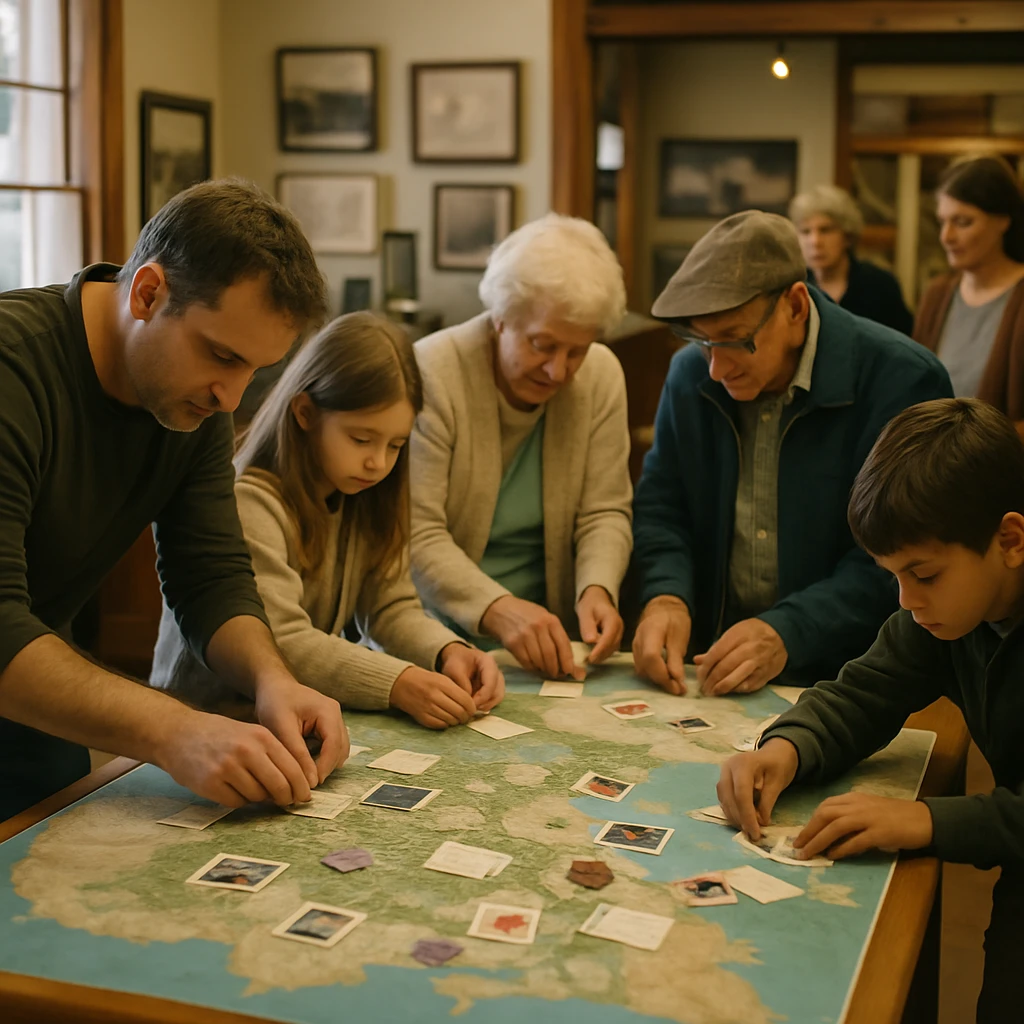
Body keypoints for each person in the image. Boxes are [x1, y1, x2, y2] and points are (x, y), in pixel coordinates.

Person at [0, 178, 349, 822]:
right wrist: (174, 729)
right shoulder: (12, 371)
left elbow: (209, 574)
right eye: (221, 355)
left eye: (255, 370)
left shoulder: (195, 400)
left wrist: (274, 682)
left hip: (35, 720)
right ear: (148, 292)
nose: (233, 398)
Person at [716, 398, 1024, 1024]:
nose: (908, 600)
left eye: (925, 574)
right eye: (893, 577)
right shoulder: (948, 615)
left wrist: (923, 821)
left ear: (1010, 541)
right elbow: (865, 690)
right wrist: (786, 747)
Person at [632, 210, 952, 696]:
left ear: (796, 305)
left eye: (736, 338)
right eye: (701, 341)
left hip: (855, 676)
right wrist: (666, 597)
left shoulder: (903, 379)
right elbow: (662, 506)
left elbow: (902, 557)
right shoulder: (689, 375)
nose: (716, 367)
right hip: (712, 667)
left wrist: (790, 629)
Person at [151, 312, 505, 729]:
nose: (378, 462)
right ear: (304, 412)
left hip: (286, 719)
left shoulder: (363, 494)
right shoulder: (250, 502)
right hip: (201, 720)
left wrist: (446, 650)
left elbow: (390, 606)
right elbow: (283, 639)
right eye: (361, 439)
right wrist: (397, 681)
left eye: (396, 445)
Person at [409, 213, 633, 680]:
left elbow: (604, 511)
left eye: (578, 350)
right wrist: (499, 609)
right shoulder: (431, 373)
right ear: (500, 318)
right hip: (434, 638)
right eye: (542, 345)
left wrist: (598, 588)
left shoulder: (603, 375)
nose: (559, 370)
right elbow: (417, 534)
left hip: (553, 649)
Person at [913, 156, 1024, 435]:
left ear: (1002, 221)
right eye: (942, 222)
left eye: (962, 222)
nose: (946, 237)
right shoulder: (937, 295)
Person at [789, 184, 913, 334]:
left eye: (825, 230)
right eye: (805, 231)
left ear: (847, 236)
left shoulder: (880, 285)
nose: (815, 241)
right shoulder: (791, 288)